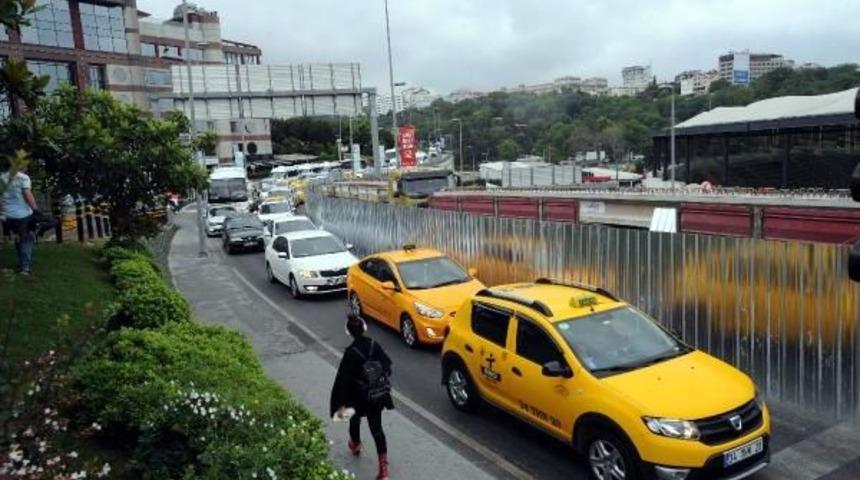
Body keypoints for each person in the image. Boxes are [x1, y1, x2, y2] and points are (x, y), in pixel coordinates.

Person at [330, 314, 394, 480]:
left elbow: (343, 381)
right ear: (364, 328)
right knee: (377, 430)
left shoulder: (350, 353)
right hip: (377, 395)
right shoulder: (374, 345)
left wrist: (340, 404)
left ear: (349, 332)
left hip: (357, 397)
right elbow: (387, 366)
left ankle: (355, 444)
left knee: (354, 419)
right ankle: (383, 470)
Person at [1, 165, 39, 275]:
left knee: (18, 238)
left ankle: (21, 261)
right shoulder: (23, 178)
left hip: (8, 216)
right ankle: (25, 268)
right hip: (22, 215)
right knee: (26, 239)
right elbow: (27, 195)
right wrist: (36, 210)